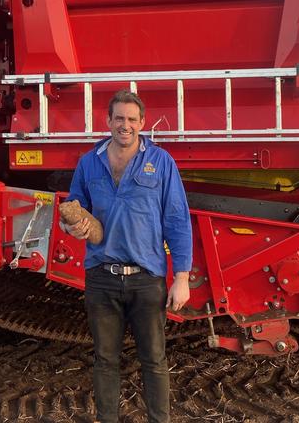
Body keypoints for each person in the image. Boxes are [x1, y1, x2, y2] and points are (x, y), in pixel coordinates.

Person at [63, 89, 192, 423]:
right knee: (105, 360)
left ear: (142, 123)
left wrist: (181, 278)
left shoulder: (161, 162)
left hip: (146, 279)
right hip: (102, 278)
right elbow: (76, 208)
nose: (125, 125)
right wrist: (73, 225)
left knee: (154, 359)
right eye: (118, 118)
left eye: (132, 119)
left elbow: (176, 220)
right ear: (108, 121)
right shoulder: (89, 162)